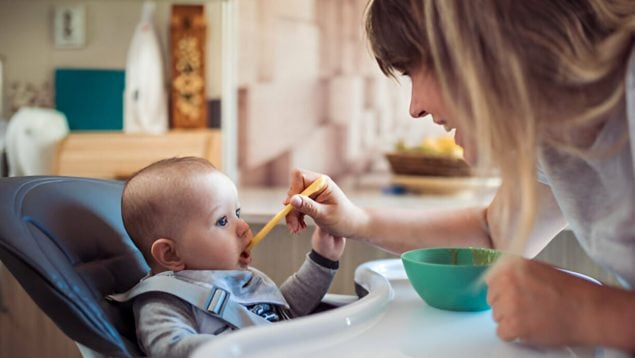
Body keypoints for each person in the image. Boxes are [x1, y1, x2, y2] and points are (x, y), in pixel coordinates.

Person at [283, 0, 635, 352]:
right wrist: (355, 220)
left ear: (475, 45)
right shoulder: (552, 139)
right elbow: (494, 234)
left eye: (413, 71)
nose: (415, 107)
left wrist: (588, 313)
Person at [119, 157, 345, 357]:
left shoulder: (236, 278)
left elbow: (285, 314)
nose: (244, 227)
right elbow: (169, 349)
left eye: (237, 213)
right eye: (222, 221)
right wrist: (238, 347)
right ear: (170, 254)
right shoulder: (163, 300)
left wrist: (322, 259)